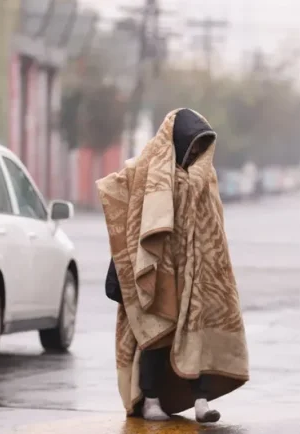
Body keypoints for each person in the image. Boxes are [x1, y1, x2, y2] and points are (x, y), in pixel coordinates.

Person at [97, 108, 250, 424]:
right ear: (177, 142)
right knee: (156, 333)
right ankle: (151, 399)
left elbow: (214, 228)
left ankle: (201, 401)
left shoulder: (204, 178)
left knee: (198, 333)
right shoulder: (146, 170)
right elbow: (122, 203)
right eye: (191, 145)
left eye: (200, 146)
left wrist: (215, 271)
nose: (195, 152)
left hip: (197, 272)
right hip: (157, 267)